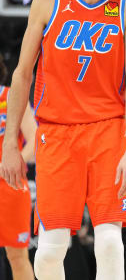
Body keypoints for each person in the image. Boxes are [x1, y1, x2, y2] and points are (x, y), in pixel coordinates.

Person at [0, 0, 126, 280]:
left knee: (110, 241)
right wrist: (9, 145)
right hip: (57, 134)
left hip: (109, 131)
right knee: (50, 250)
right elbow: (21, 74)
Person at [0, 56, 37, 280]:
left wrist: (13, 163)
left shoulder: (11, 95)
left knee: (17, 257)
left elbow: (34, 140)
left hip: (10, 185)